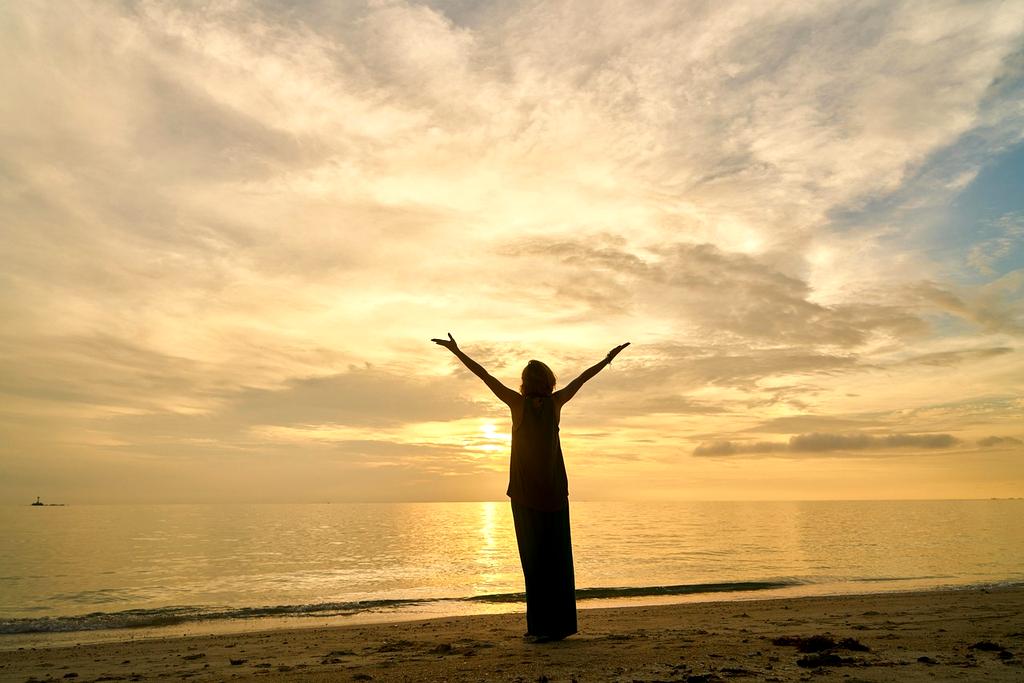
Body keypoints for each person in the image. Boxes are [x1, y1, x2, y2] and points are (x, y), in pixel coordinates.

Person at [430, 333, 630, 642]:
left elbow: (485, 376)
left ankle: (539, 629)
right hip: (553, 494)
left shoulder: (517, 403)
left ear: (525, 382)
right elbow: (582, 378)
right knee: (558, 562)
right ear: (549, 381)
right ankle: (560, 627)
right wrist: (606, 360)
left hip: (525, 496)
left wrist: (458, 352)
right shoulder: (556, 402)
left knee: (535, 563)